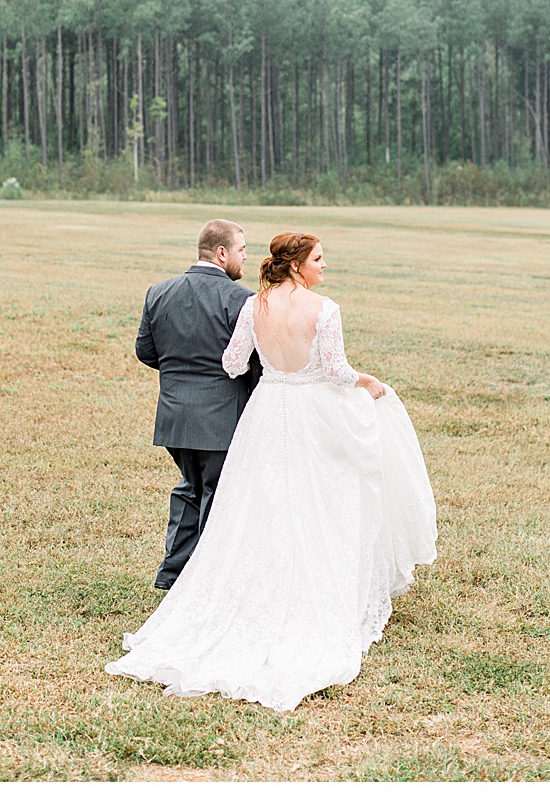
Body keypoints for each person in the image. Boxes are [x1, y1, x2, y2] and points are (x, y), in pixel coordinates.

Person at [107, 232, 438, 712]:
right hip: (309, 413)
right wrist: (366, 382)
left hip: (265, 413)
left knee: (257, 504)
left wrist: (276, 368)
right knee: (315, 501)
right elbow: (336, 370)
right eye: (319, 259)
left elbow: (233, 363)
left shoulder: (253, 306)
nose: (325, 266)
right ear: (299, 265)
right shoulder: (324, 308)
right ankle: (309, 596)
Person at [133, 218, 259, 589]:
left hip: (174, 418)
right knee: (218, 495)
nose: (245, 258)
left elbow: (146, 351)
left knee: (191, 487)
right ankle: (203, 583)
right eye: (242, 250)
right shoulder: (242, 300)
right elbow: (254, 364)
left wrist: (180, 374)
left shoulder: (159, 292)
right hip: (222, 420)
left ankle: (173, 575)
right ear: (222, 254)